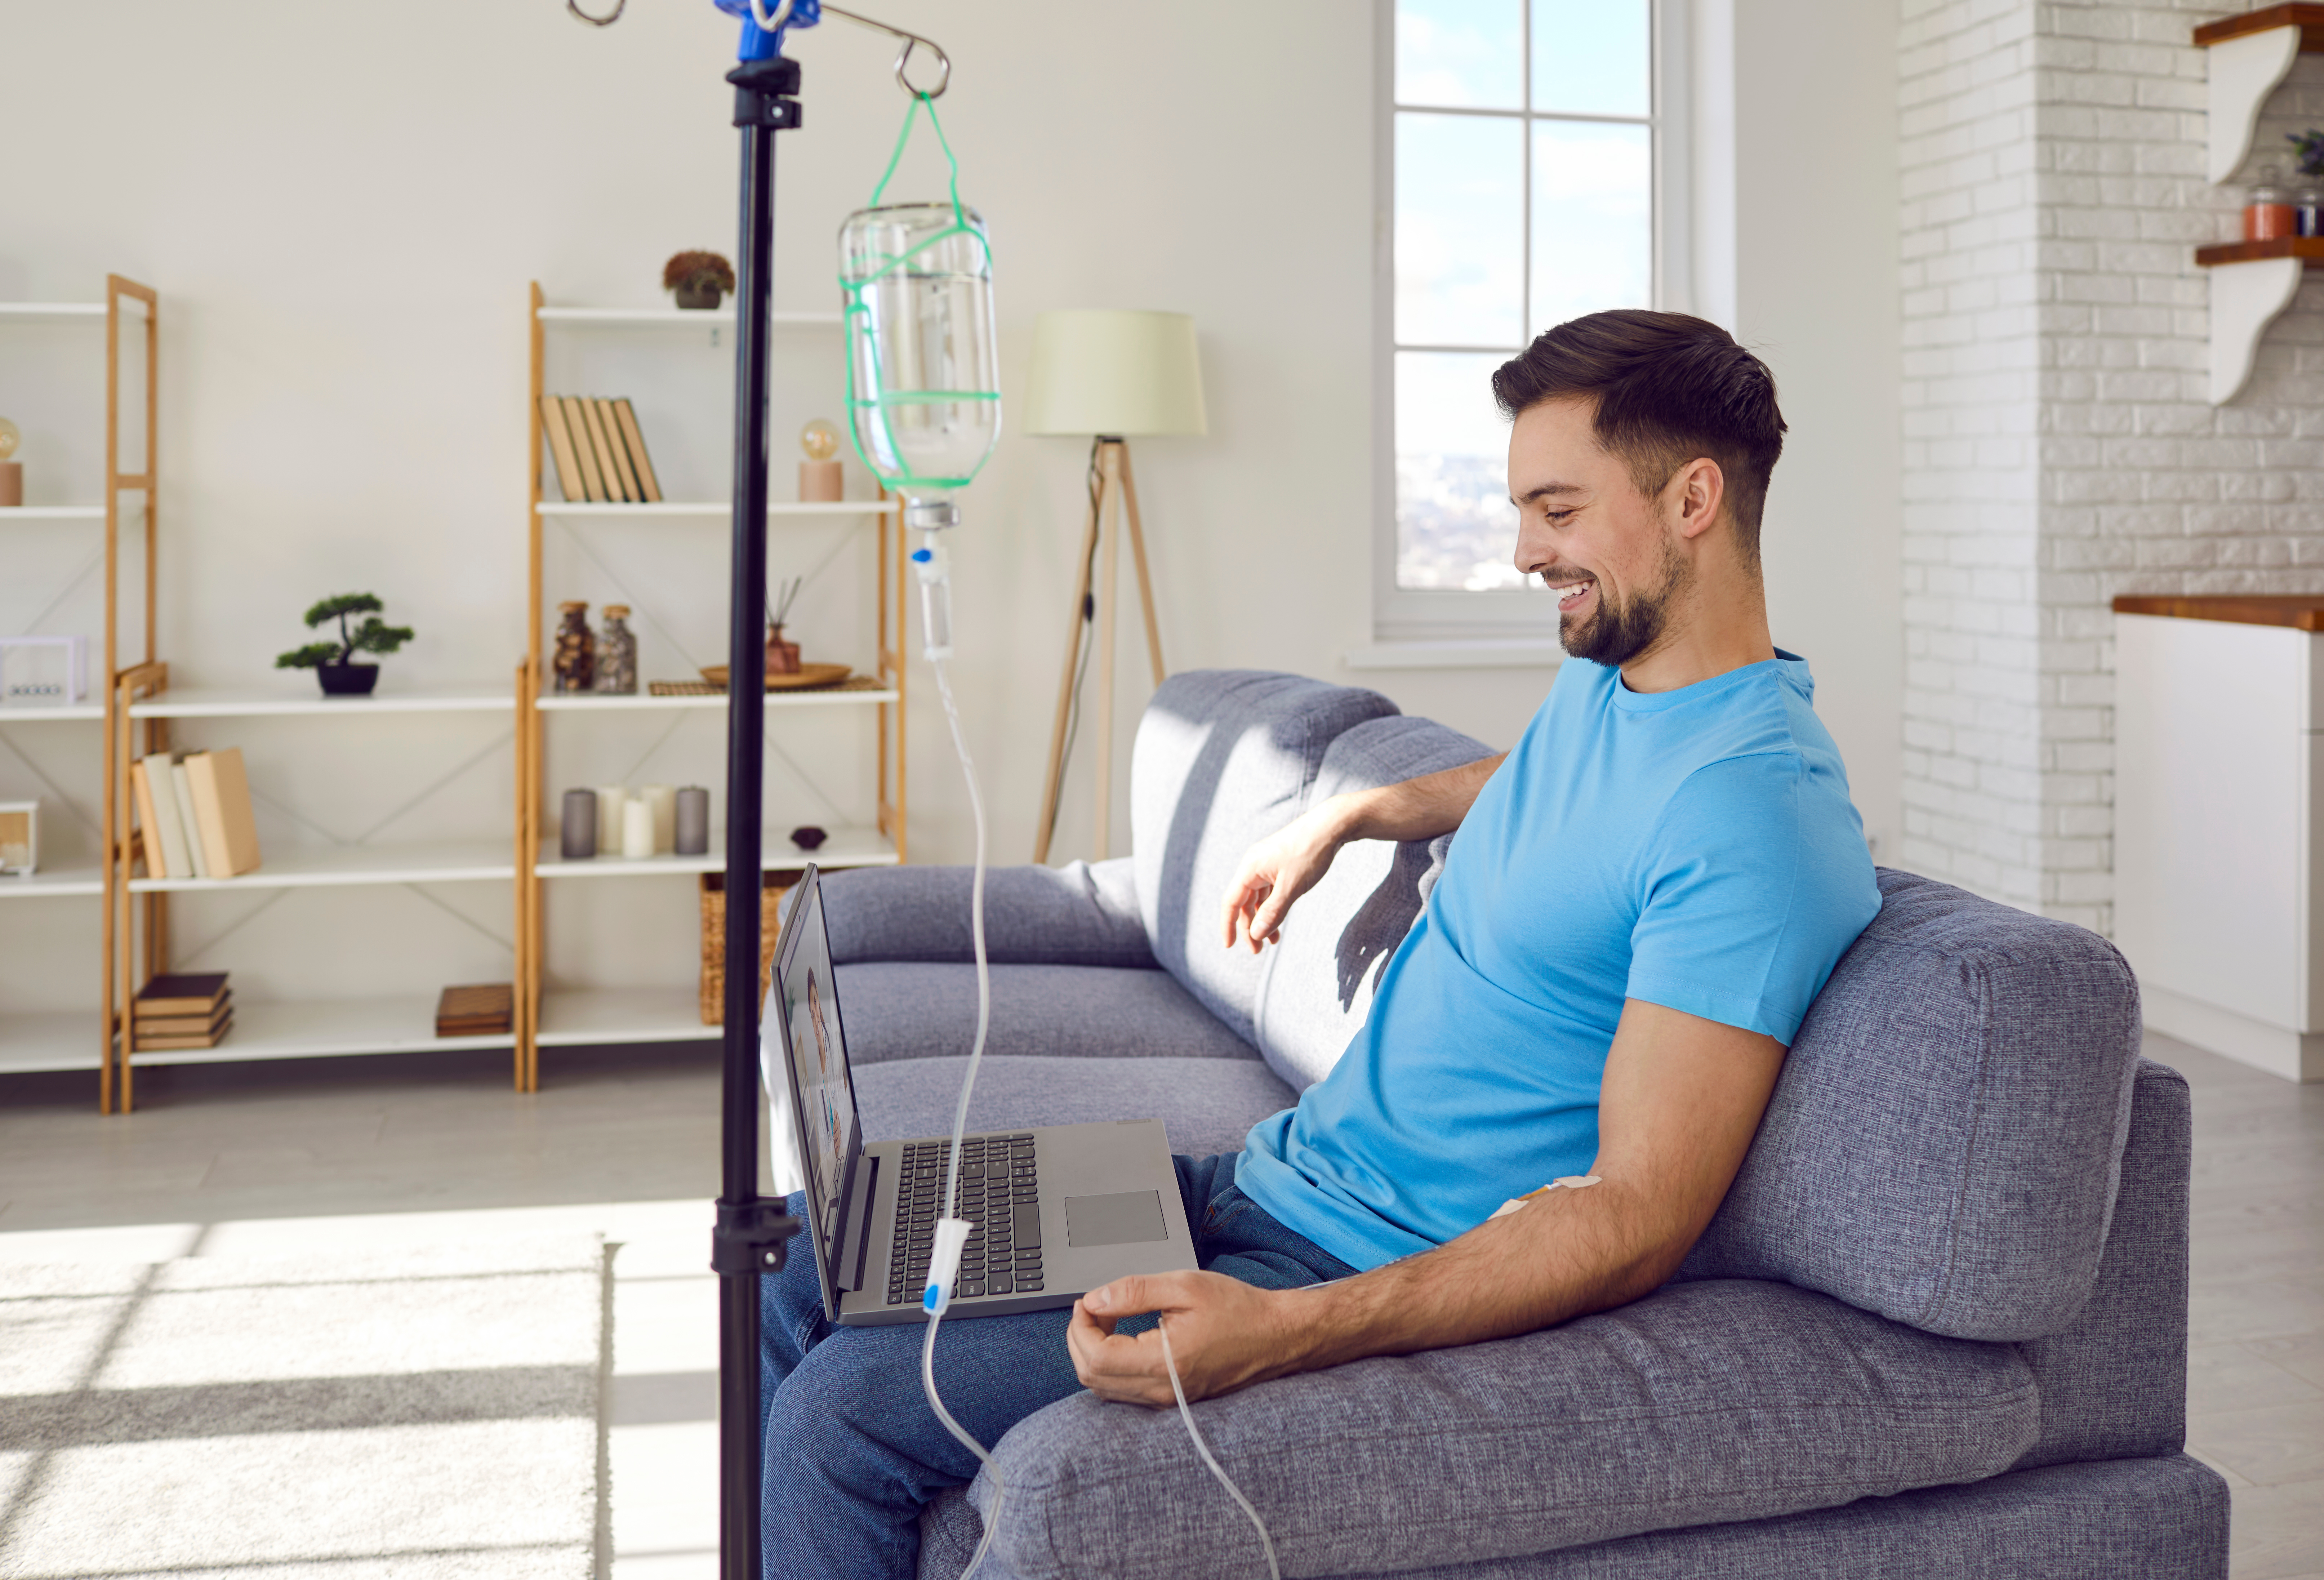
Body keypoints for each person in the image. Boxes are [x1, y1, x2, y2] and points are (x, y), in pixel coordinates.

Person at [758, 309, 1882, 1579]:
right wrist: (1357, 812)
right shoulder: (1620, 682)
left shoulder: (1752, 815)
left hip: (1338, 1260)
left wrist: (1286, 1327)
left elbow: (1636, 1214)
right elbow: (1542, 788)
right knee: (801, 1254)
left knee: (839, 1416)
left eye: (1557, 512)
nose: (1524, 551)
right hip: (1259, 1181)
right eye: (1522, 511)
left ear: (1692, 497)